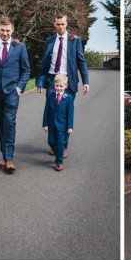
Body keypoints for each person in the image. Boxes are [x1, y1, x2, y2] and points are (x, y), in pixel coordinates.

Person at [0, 16, 31, 173]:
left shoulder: (20, 47)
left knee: (9, 122)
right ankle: (5, 155)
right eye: (2, 30)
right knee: (0, 123)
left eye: (8, 30)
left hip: (11, 92)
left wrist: (19, 88)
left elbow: (26, 70)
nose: (5, 33)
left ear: (13, 30)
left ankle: (9, 159)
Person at [36, 14, 89, 157]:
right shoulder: (49, 41)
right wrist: (40, 81)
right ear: (54, 24)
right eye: (58, 24)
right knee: (52, 112)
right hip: (52, 81)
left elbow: (81, 61)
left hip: (68, 82)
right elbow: (45, 63)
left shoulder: (75, 40)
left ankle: (63, 146)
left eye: (63, 24)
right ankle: (54, 143)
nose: (60, 27)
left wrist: (86, 81)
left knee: (64, 114)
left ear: (67, 24)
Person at [42, 73, 74, 172]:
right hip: (51, 124)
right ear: (54, 85)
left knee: (60, 143)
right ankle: (59, 152)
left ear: (65, 86)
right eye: (57, 85)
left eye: (61, 86)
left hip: (62, 125)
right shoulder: (51, 96)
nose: (59, 88)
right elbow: (46, 110)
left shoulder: (68, 98)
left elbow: (70, 113)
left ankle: (59, 162)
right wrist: (45, 123)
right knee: (51, 141)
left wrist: (70, 126)